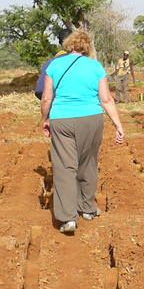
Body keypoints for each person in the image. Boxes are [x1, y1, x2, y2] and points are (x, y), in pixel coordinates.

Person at [40, 30, 125, 234]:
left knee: (65, 167)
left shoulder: (55, 65)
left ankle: (68, 218)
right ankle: (87, 209)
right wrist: (118, 124)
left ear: (68, 45)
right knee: (88, 163)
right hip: (91, 119)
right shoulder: (95, 67)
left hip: (62, 119)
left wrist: (45, 119)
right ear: (87, 47)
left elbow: (46, 99)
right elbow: (106, 99)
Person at [35, 29, 70, 100]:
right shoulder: (89, 64)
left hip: (58, 107)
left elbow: (40, 90)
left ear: (60, 42)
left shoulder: (50, 63)